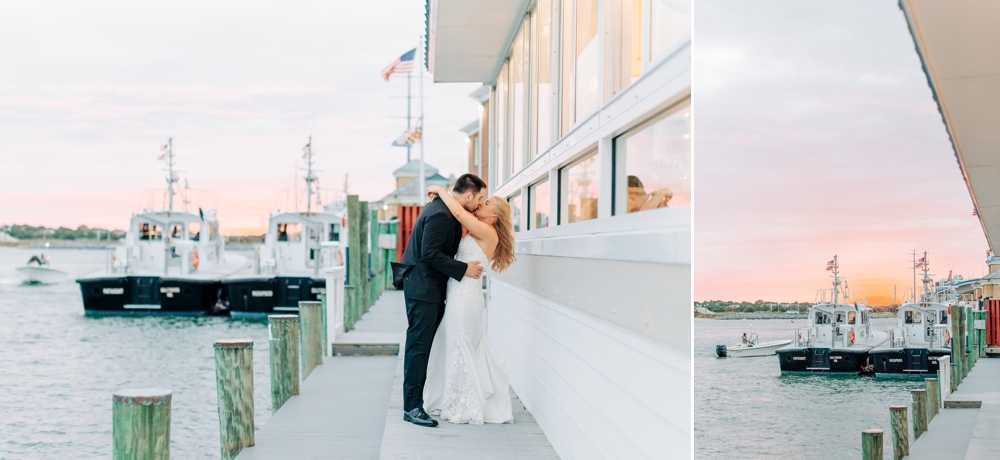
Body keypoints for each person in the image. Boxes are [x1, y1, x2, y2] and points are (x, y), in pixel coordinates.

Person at [396, 174, 487, 428]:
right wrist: (463, 269)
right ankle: (412, 407)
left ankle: (420, 401)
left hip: (428, 287)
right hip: (422, 288)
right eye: (480, 198)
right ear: (467, 196)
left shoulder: (444, 208)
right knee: (419, 346)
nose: (480, 204)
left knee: (426, 346)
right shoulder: (439, 213)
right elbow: (429, 253)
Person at [422, 183, 517, 425]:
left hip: (465, 296)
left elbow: (459, 213)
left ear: (494, 215)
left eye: (486, 203)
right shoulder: (480, 230)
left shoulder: (487, 232)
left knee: (459, 344)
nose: (482, 204)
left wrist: (442, 191)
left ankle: (462, 406)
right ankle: (446, 397)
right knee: (452, 341)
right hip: (460, 292)